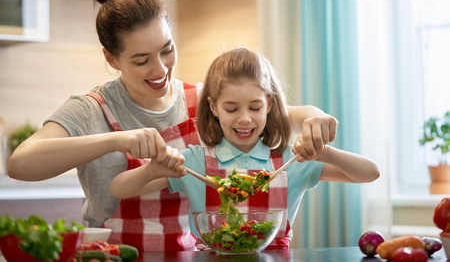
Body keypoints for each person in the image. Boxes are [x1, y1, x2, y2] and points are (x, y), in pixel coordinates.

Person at [7, 0, 338, 252]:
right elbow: (21, 163)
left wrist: (315, 115)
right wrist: (116, 141)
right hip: (116, 256)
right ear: (111, 59)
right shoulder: (90, 109)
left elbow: (279, 113)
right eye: (141, 60)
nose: (160, 68)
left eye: (167, 50)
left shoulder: (201, 100)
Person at [109, 47, 380, 250]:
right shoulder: (197, 160)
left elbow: (370, 173)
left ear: (270, 105)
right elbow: (118, 189)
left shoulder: (290, 159)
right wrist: (152, 170)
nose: (244, 119)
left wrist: (325, 153)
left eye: (254, 107)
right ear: (214, 107)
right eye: (231, 108)